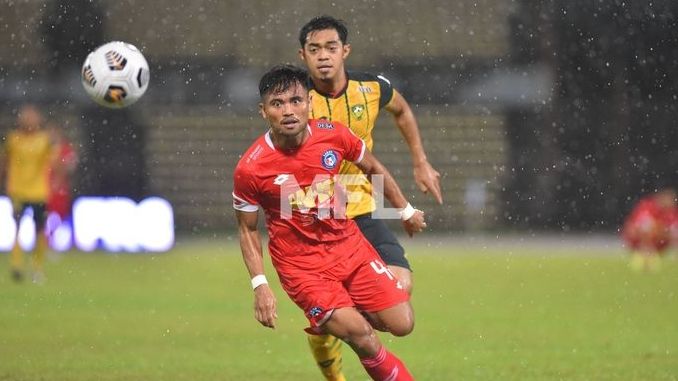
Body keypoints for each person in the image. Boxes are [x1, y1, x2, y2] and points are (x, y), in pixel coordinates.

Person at [233, 65, 426, 380]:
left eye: (296, 100)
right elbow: (247, 229)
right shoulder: (251, 168)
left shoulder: (333, 135)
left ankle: (333, 317)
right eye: (277, 104)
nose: (289, 111)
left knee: (402, 323)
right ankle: (337, 319)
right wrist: (261, 286)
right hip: (303, 268)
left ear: (309, 102)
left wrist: (403, 210)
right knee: (363, 336)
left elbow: (372, 166)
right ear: (263, 111)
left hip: (350, 247)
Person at [297, 15, 443, 380]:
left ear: (345, 51)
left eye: (331, 48)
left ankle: (332, 323)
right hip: (315, 218)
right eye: (314, 50)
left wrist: (421, 162)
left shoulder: (372, 88)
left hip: (363, 205)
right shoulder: (295, 97)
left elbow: (403, 110)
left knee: (402, 285)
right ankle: (334, 355)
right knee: (343, 309)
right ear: (303, 55)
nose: (323, 57)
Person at [0, 104, 55, 283]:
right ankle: (16, 265)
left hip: (39, 192)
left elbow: (54, 162)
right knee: (17, 229)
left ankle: (37, 268)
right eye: (26, 117)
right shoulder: (13, 140)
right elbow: (4, 163)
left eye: (32, 117)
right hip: (18, 191)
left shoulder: (45, 140)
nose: (29, 121)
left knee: (39, 231)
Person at [621, 187, 678, 271]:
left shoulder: (671, 212)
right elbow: (638, 227)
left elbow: (674, 230)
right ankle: (644, 255)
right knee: (648, 229)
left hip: (661, 242)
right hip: (640, 241)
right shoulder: (648, 206)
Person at [46, 122, 78, 242]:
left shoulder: (66, 149)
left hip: (61, 189)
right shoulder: (43, 149)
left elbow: (71, 167)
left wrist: (60, 166)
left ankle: (69, 240)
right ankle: (47, 240)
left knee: (62, 215)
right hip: (43, 188)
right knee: (45, 215)